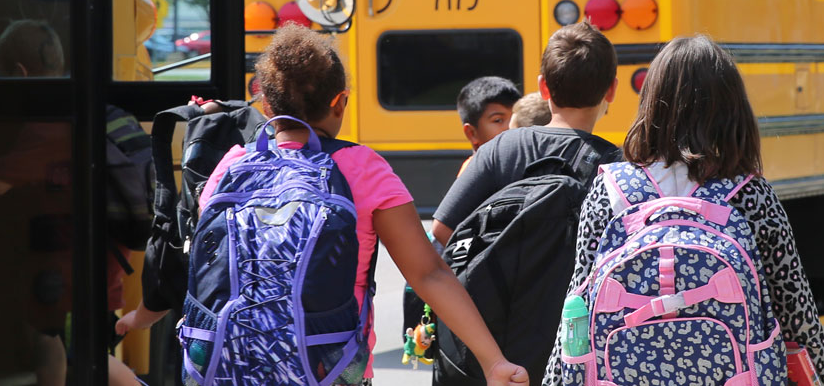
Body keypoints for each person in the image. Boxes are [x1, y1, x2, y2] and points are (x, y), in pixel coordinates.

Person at [122, 25, 529, 385]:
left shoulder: (231, 165)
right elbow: (429, 273)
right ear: (340, 103)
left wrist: (144, 312)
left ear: (266, 106)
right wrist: (493, 363)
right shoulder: (362, 168)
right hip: (324, 368)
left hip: (226, 365)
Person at [546, 34, 824, 385]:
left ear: (651, 102)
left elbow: (576, 303)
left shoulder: (611, 188)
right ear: (732, 109)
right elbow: (795, 309)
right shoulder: (749, 192)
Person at [0, 19, 146, 386]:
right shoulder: (84, 108)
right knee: (78, 349)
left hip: (63, 270)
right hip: (100, 261)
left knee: (60, 348)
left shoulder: (45, 126)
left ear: (20, 73)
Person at [432, 23, 622, 250]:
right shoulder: (616, 166)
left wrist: (490, 269)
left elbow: (442, 229)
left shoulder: (502, 148)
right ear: (611, 90)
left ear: (543, 87)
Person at [459, 76, 523, 151]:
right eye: (498, 120)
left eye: (515, 118)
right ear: (472, 133)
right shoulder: (472, 163)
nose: (512, 126)